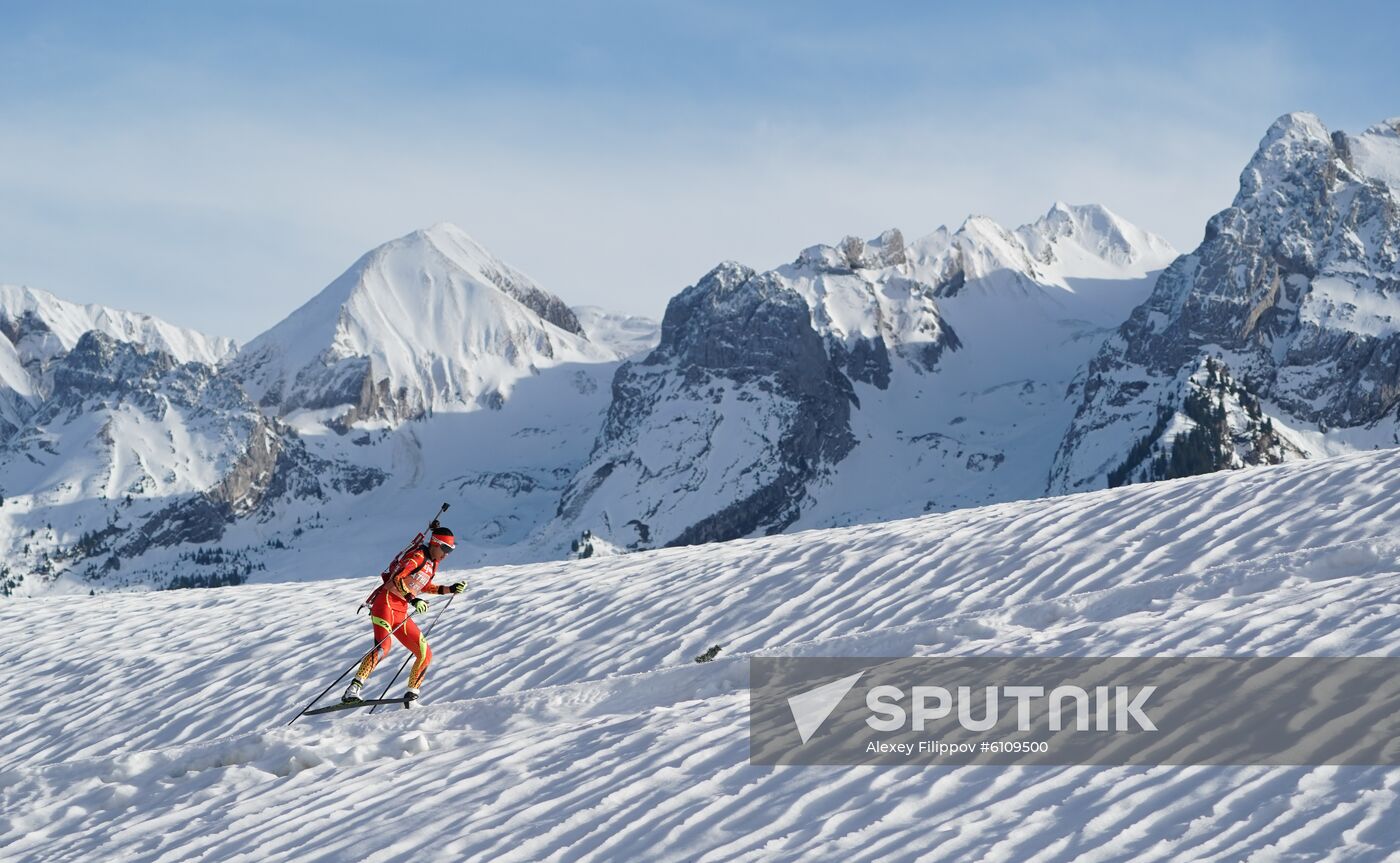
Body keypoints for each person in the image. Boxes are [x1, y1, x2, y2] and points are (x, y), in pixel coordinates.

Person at [343, 526, 467, 705]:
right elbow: (398, 578)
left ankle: (411, 698)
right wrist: (413, 600)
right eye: (445, 549)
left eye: (450, 550)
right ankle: (352, 690)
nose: (446, 554)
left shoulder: (433, 564)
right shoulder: (417, 557)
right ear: (435, 544)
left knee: (425, 653)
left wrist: (450, 589)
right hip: (385, 603)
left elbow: (423, 586)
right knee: (383, 647)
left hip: (401, 610)